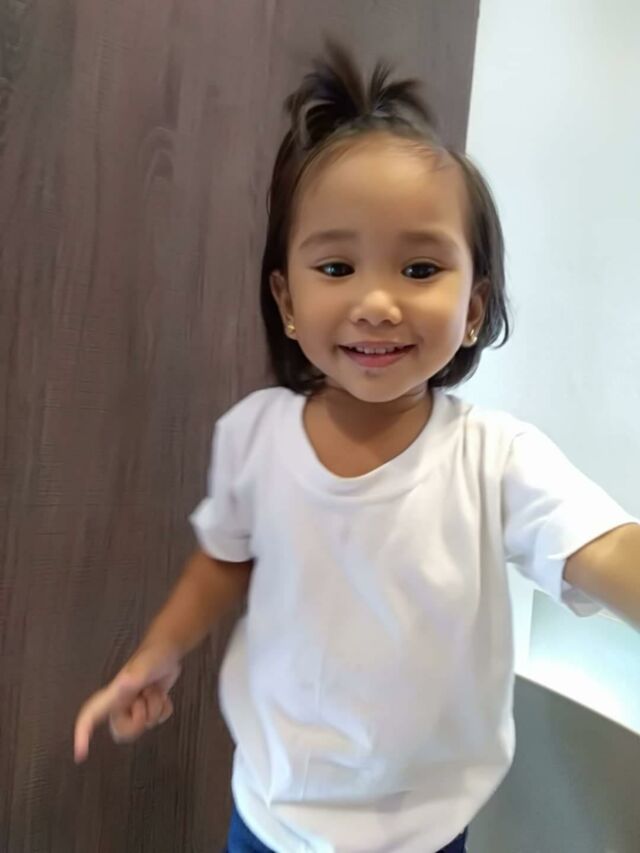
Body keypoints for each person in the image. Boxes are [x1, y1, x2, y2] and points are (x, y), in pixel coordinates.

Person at [74, 42, 640, 853]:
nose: (377, 302)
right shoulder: (256, 437)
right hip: (270, 813)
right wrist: (159, 651)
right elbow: (224, 559)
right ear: (287, 300)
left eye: (420, 267)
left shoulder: (495, 459)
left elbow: (604, 546)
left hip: (421, 831)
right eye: (338, 266)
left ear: (473, 308)